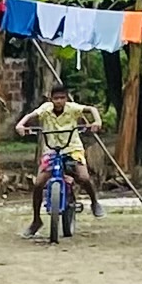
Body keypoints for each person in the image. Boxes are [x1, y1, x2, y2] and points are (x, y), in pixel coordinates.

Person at [15, 84, 106, 226]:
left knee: (83, 177)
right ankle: (36, 219)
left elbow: (91, 109)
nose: (59, 101)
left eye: (62, 98)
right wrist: (20, 125)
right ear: (51, 99)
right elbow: (29, 116)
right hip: (51, 150)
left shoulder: (72, 108)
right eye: (56, 98)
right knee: (39, 184)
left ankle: (94, 202)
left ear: (66, 98)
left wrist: (97, 121)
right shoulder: (45, 109)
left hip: (72, 149)